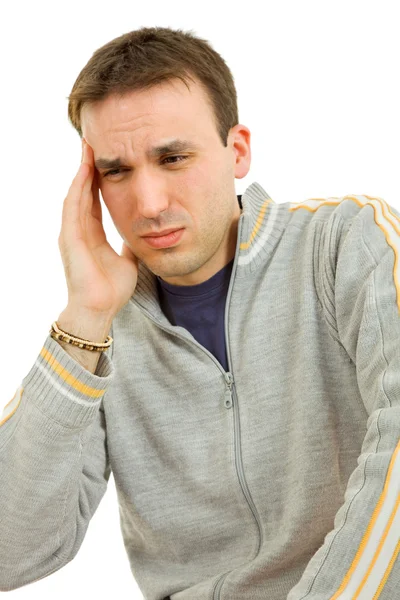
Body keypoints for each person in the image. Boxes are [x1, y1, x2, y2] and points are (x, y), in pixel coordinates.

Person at [0, 25, 399, 600]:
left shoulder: (347, 243)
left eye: (173, 157)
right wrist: (84, 320)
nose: (150, 204)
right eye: (116, 171)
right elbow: (11, 554)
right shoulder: (100, 336)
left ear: (236, 151)